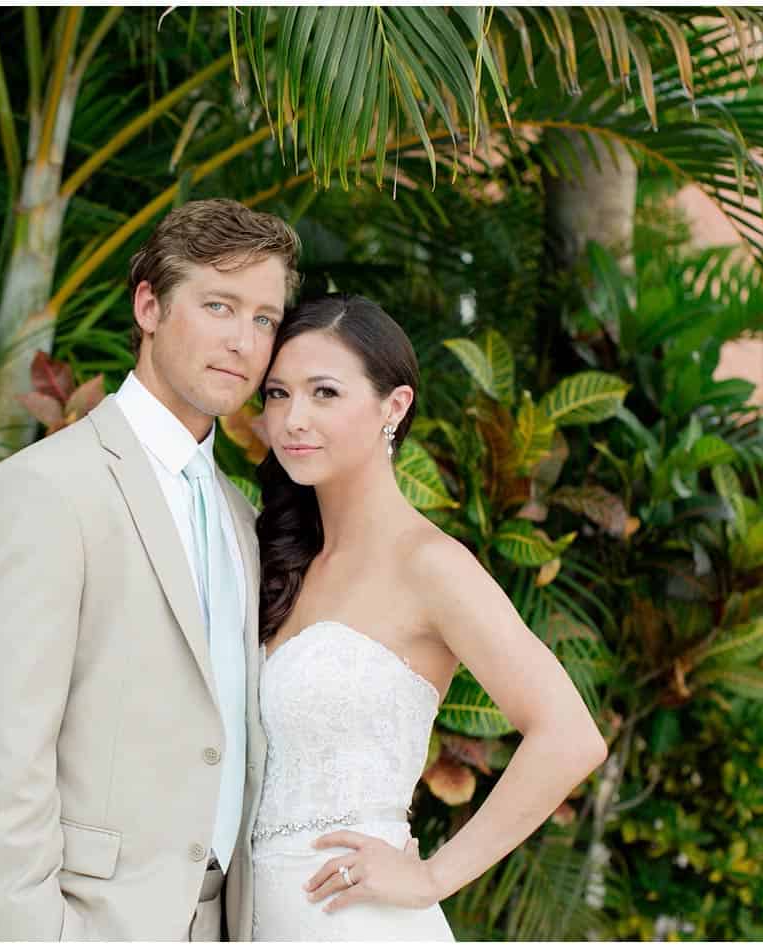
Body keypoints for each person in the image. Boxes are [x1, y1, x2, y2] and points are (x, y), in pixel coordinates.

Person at [0, 198, 298, 940]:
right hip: (93, 924)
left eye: (264, 319)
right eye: (219, 306)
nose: (243, 341)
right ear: (149, 306)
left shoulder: (239, 515)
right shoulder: (44, 490)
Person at [247, 294, 606, 940]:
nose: (293, 418)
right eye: (277, 394)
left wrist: (434, 876)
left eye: (324, 392)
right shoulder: (278, 553)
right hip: (261, 919)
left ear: (395, 406)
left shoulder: (432, 566)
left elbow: (570, 735)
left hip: (361, 922)